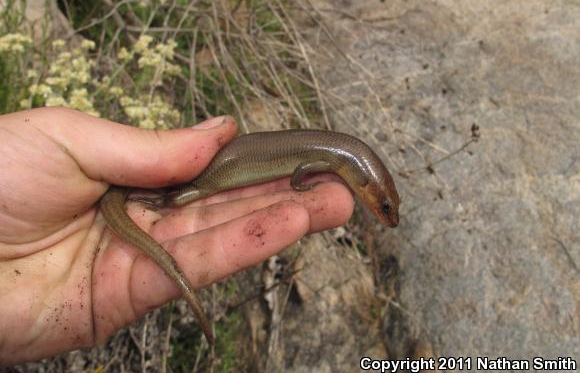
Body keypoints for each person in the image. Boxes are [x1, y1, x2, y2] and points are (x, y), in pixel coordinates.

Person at [0, 107, 354, 365]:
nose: (384, 215)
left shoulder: (333, 156)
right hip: (206, 177)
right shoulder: (333, 158)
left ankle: (158, 197)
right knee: (186, 194)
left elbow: (304, 168)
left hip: (214, 172)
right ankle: (160, 198)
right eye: (383, 209)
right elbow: (300, 173)